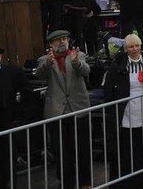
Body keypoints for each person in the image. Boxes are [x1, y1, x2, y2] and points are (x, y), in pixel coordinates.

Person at [35, 30, 92, 188]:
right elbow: (39, 75)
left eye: (64, 39)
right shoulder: (44, 59)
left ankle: (85, 182)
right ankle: (67, 183)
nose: (62, 42)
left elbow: (86, 71)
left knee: (82, 148)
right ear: (51, 44)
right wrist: (48, 63)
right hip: (57, 111)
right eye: (58, 40)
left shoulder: (78, 55)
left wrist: (75, 62)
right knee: (62, 151)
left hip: (78, 107)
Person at [102, 34, 143, 189]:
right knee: (125, 151)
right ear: (126, 49)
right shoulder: (118, 66)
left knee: (141, 149)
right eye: (131, 47)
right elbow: (108, 89)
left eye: (137, 46)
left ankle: (141, 181)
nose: (135, 49)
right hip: (125, 116)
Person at [0, 40, 33, 189]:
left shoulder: (13, 72)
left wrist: (18, 115)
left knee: (7, 163)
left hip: (6, 124)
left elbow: (27, 93)